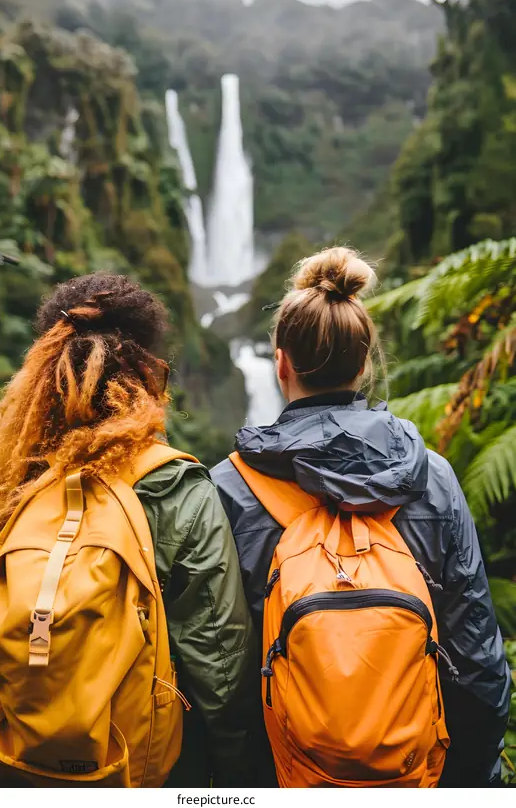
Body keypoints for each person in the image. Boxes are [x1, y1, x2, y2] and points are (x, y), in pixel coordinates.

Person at [0, 272, 258, 787]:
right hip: (144, 768)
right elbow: (218, 663)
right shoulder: (177, 486)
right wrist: (237, 776)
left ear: (44, 368)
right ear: (148, 374)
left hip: (16, 763)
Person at [212, 247, 511, 788]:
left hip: (279, 775)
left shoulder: (230, 488)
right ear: (366, 363)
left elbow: (217, 669)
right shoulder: (433, 479)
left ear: (281, 363)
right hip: (415, 775)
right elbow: (476, 656)